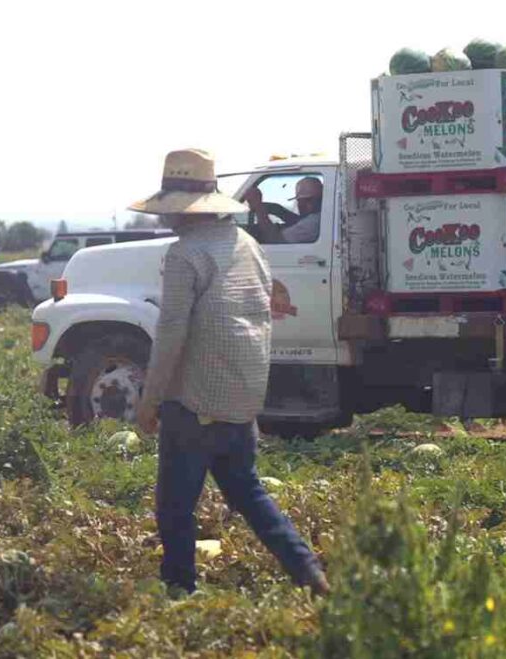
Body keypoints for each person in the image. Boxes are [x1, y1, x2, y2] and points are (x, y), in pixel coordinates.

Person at [130, 148, 329, 596]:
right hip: (242, 397)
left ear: (181, 210)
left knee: (175, 506)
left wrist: (150, 400)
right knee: (247, 492)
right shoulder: (248, 246)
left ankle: (180, 589)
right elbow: (263, 308)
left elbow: (171, 332)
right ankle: (308, 571)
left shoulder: (185, 254)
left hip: (194, 402)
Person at [243, 176, 323, 244]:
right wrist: (278, 210)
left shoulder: (313, 223)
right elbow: (299, 220)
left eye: (302, 201)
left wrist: (258, 207)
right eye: (299, 201)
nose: (300, 205)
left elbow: (274, 239)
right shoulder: (320, 218)